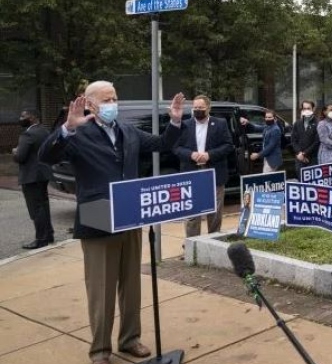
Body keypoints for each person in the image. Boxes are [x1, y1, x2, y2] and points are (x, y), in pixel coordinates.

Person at [39, 81, 185, 364]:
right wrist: (67, 128)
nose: (112, 103)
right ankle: (100, 351)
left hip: (129, 216)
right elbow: (46, 156)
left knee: (131, 285)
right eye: (107, 99)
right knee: (101, 290)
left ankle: (130, 339)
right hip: (97, 219)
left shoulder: (127, 131)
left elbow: (163, 144)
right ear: (91, 104)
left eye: (115, 98)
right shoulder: (78, 133)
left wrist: (176, 122)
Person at [175, 95, 234, 238]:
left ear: (208, 108)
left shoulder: (220, 123)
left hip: (214, 172)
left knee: (214, 212)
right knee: (192, 213)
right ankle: (192, 244)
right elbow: (176, 147)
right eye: (195, 108)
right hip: (192, 172)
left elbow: (228, 145)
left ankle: (213, 242)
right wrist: (191, 154)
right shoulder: (185, 125)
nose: (197, 110)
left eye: (200, 108)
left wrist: (209, 155)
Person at [13, 108, 54, 249]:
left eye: (23, 116)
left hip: (31, 176)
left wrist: (15, 152)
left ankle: (41, 239)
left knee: (36, 209)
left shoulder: (28, 134)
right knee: (43, 206)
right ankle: (49, 235)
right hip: (43, 175)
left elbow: (20, 157)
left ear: (32, 117)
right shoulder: (44, 131)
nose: (20, 118)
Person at [291, 99, 320, 181]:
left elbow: (316, 142)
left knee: (312, 183)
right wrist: (300, 153)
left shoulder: (318, 124)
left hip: (312, 159)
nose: (306, 110)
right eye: (304, 109)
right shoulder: (297, 123)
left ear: (313, 109)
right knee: (301, 183)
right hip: (299, 158)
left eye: (308, 108)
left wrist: (305, 153)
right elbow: (293, 140)